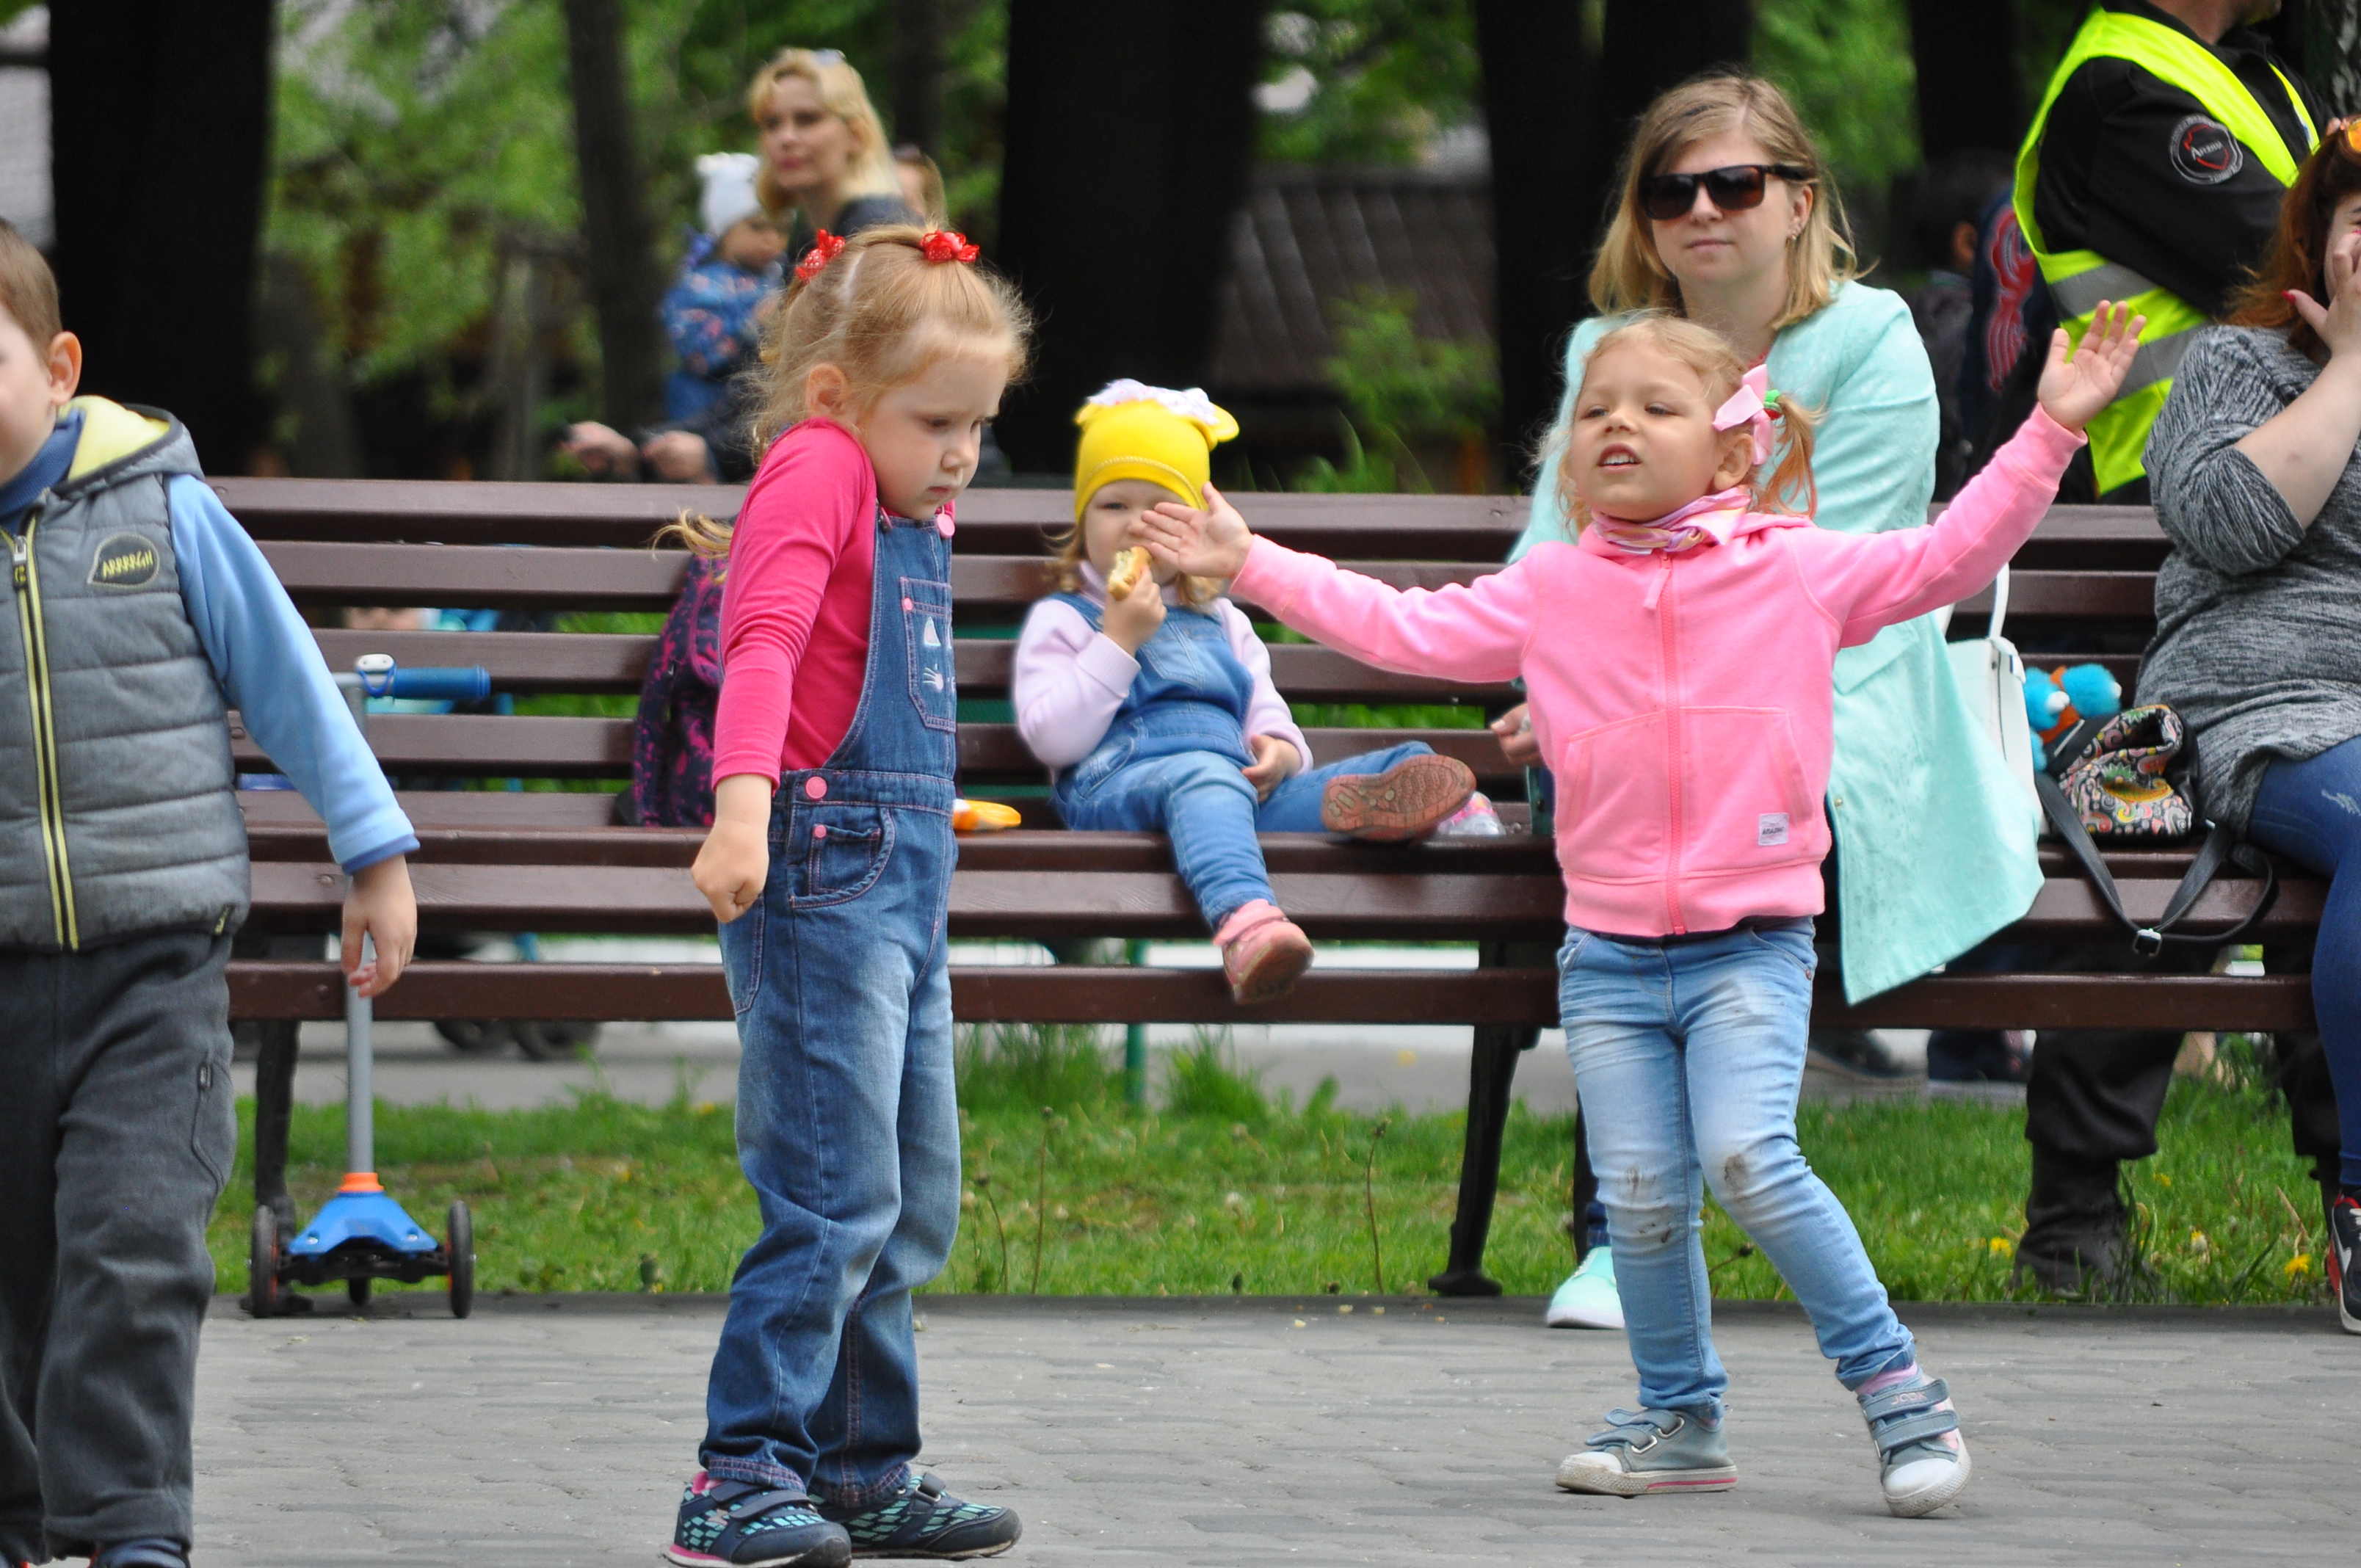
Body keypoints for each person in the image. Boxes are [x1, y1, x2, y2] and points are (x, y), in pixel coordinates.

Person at [1145, 303, 2145, 1517]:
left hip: (1751, 947)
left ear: (1732, 448)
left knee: (1750, 1158)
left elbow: (1951, 556)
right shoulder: (1553, 587)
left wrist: (2050, 428)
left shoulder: (1797, 568)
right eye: (1596, 409)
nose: (1618, 422)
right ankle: (1679, 1420)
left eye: (1656, 406)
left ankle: (1901, 1398)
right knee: (1640, 1200)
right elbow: (1401, 627)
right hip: (1608, 955)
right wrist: (1250, 560)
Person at [1493, 73, 2042, 1332]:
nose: (1702, 210)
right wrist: (1557, 682)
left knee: (1679, 787)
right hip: (1630, 717)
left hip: (1835, 689)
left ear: (1799, 202)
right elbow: (1550, 555)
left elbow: (1861, 576)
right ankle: (1629, 1231)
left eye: (1735, 184)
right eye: (1671, 189)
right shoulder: (1605, 351)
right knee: (1627, 783)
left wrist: (1641, 693)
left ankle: (1625, 1235)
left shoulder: (1868, 341)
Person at [0, 218, 419, 1568]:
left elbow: (288, 680)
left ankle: (130, 1526)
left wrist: (372, 854)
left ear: (58, 367)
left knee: (132, 1245)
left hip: (153, 964)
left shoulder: (161, 510)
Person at [661, 224, 1028, 1567]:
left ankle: (863, 1470)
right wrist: (741, 807)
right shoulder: (816, 467)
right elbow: (763, 640)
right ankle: (740, 1474)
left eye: (979, 426)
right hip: (819, 871)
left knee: (908, 1195)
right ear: (835, 395)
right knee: (831, 1194)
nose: (961, 454)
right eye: (937, 423)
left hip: (902, 884)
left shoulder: (903, 497)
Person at [2002, 0, 2324, 1292]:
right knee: (2140, 867)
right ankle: (2072, 1214)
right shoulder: (2122, 91)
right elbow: (2294, 271)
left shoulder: (2262, 80)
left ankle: (2346, 1192)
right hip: (2158, 536)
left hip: (2305, 529)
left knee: (2313, 864)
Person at [1013, 381, 1491, 1003]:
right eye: (1113, 505)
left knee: (1398, 760)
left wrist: (1281, 753)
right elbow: (1053, 739)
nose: (1135, 523)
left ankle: (1443, 810)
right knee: (1203, 777)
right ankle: (1245, 925)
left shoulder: (1223, 620)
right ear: (1082, 520)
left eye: (1162, 507)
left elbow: (1266, 711)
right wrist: (1118, 641)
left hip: (1233, 792)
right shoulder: (1065, 618)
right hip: (1116, 793)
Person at [2136, 120, 2361, 1330]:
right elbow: (2228, 523)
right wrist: (2354, 366)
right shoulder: (2237, 364)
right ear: (2319, 244)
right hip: (2263, 703)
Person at [2014, 0, 2322, 504]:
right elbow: (2309, 268)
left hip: (2275, 469)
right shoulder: (2122, 91)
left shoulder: (2249, 69)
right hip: (2190, 489)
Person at [565, 49, 918, 487]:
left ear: (856, 134)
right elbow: (763, 384)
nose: (785, 138)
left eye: (807, 119)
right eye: (772, 123)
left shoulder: (879, 235)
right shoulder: (810, 244)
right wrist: (642, 449)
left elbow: (847, 397)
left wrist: (713, 454)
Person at [664, 153, 787, 422]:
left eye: (782, 229)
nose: (772, 239)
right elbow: (699, 355)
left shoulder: (781, 279)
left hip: (759, 414)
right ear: (724, 229)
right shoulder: (697, 287)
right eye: (758, 227)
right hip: (702, 412)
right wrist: (753, 326)